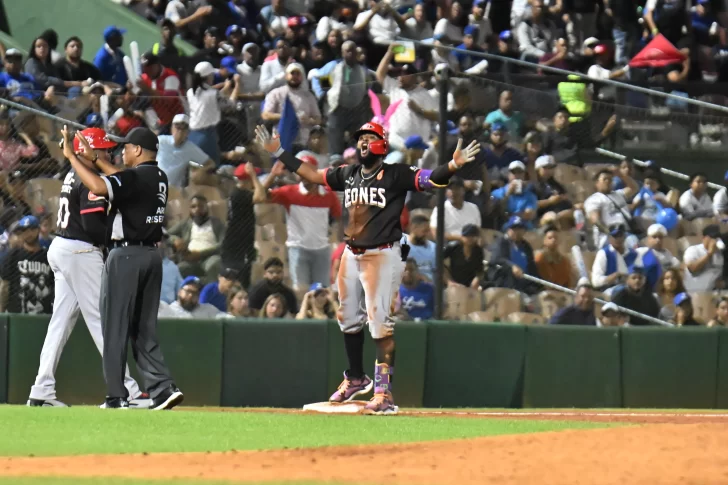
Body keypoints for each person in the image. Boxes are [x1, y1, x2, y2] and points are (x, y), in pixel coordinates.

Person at [255, 120, 479, 415]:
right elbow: (311, 173)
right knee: (347, 319)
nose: (362, 142)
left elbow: (430, 179)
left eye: (368, 137)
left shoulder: (396, 173)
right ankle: (355, 377)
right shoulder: (349, 174)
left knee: (380, 327)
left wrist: (452, 165)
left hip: (382, 255)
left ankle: (383, 392)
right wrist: (279, 152)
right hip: (351, 252)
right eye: (360, 138)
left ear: (381, 143)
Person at [60, 125, 183, 410]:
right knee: (143, 329)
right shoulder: (158, 175)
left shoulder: (135, 176)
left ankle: (116, 396)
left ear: (138, 150)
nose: (121, 151)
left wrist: (72, 157)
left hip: (126, 256)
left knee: (114, 327)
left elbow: (99, 186)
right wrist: (96, 158)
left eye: (126, 147)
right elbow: (123, 179)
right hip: (152, 257)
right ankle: (163, 389)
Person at [27, 129, 148, 408]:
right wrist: (117, 234)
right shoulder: (87, 177)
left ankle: (41, 389)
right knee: (103, 321)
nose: (107, 153)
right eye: (103, 149)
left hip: (63, 247)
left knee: (60, 322)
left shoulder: (74, 171)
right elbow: (94, 226)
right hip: (81, 250)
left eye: (107, 149)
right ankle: (126, 391)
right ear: (84, 150)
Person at [249, 157, 341, 290]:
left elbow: (338, 218)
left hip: (322, 249)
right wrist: (273, 175)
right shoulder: (289, 192)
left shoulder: (329, 195)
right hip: (298, 249)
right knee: (300, 290)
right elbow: (259, 198)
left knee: (323, 291)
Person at [0, 216, 54, 316]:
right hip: (17, 315)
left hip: (43, 316)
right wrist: (1, 311)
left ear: (38, 230)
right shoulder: (12, 255)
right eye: (24, 230)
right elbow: (4, 286)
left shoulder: (48, 257)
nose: (28, 233)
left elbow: (54, 286)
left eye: (32, 229)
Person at [487, 216, 541, 295]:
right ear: (508, 229)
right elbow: (496, 259)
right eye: (514, 229)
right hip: (504, 284)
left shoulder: (526, 246)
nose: (517, 232)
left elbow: (532, 267)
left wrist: (540, 285)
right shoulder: (501, 242)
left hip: (523, 286)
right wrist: (512, 266)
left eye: (520, 229)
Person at [683, 224, 725, 293]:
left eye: (717, 238)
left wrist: (721, 283)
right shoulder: (693, 250)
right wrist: (709, 253)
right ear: (703, 238)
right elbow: (693, 268)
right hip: (694, 292)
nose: (715, 240)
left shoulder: (719, 254)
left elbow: (718, 275)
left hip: (712, 293)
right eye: (713, 237)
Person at [443, 223, 484, 288]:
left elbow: (480, 270)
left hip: (470, 286)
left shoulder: (478, 251)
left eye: (472, 236)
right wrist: (449, 281)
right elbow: (438, 261)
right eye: (467, 236)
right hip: (453, 283)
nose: (469, 238)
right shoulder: (453, 247)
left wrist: (477, 280)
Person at [405, 215, 437, 282]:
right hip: (410, 285)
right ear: (413, 228)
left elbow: (438, 270)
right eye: (424, 231)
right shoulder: (402, 245)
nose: (427, 234)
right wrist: (420, 277)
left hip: (431, 287)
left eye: (428, 231)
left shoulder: (433, 247)